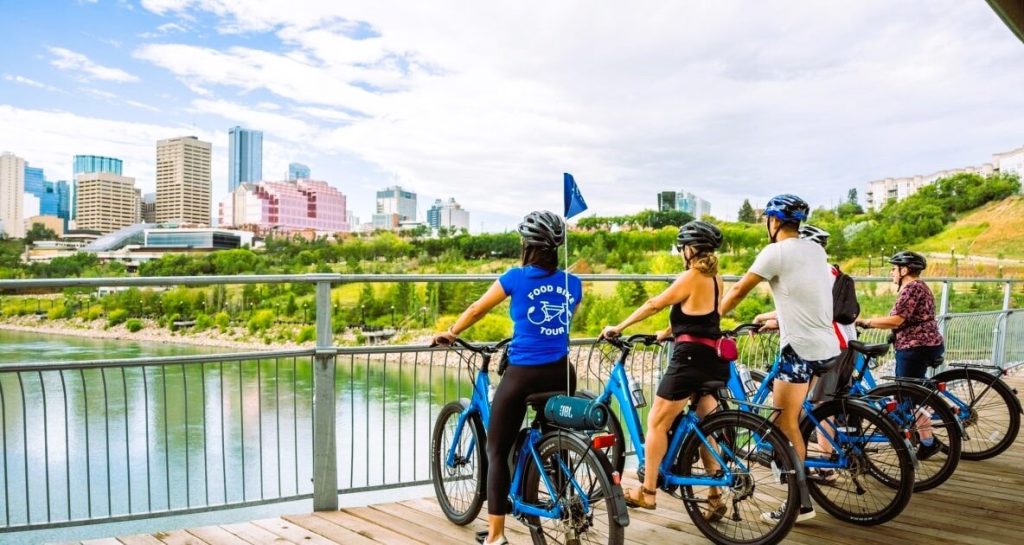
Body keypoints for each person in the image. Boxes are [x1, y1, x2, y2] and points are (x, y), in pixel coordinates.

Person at [433, 210, 583, 545]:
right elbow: (556, 323)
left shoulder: (515, 278)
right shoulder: (574, 283)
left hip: (524, 375)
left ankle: (497, 535)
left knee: (496, 449)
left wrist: (452, 332)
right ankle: (565, 500)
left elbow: (477, 309)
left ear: (528, 245)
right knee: (552, 433)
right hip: (562, 372)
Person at [719, 194, 840, 523]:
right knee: (790, 418)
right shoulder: (815, 249)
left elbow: (738, 290)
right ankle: (785, 465)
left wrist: (710, 319)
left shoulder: (775, 251)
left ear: (772, 222)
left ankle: (800, 505)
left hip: (799, 348)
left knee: (783, 423)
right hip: (827, 346)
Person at [600, 220, 729, 522]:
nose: (681, 251)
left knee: (656, 422)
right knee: (704, 426)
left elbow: (654, 303)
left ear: (691, 249)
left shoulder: (691, 275)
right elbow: (702, 314)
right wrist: (668, 331)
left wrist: (618, 327)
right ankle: (714, 494)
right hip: (712, 356)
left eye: (683, 246)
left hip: (688, 360)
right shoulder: (715, 279)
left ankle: (647, 492)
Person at [753, 224, 856, 482]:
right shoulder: (833, 271)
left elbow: (804, 310)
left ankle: (822, 464)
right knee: (816, 404)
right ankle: (805, 459)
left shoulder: (817, 272)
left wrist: (767, 318)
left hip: (825, 344)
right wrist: (775, 321)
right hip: (844, 344)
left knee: (814, 406)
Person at [856, 250, 944, 459]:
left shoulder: (910, 289)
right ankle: (927, 433)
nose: (892, 273)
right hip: (928, 343)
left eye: (894, 269)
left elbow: (896, 320)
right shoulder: (921, 287)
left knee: (908, 399)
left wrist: (865, 322)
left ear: (905, 270)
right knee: (914, 395)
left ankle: (928, 441)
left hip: (915, 348)